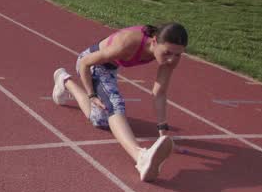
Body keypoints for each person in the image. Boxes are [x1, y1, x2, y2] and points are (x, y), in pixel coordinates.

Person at [51, 23, 189, 182]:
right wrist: (91, 95)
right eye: (167, 53)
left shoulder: (170, 58)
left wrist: (163, 136)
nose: (172, 59)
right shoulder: (128, 42)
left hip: (110, 68)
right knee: (115, 104)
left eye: (178, 55)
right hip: (92, 64)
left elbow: (159, 93)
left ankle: (64, 80)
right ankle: (140, 157)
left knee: (101, 120)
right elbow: (85, 63)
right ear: (155, 41)